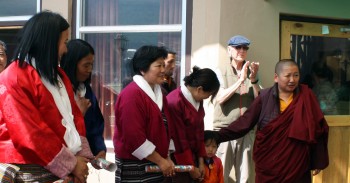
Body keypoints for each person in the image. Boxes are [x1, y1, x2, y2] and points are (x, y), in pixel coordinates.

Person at [0, 11, 93, 183]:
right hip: (30, 166)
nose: (66, 49)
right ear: (48, 43)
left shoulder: (58, 74)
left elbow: (74, 116)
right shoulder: (15, 76)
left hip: (61, 163)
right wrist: (72, 164)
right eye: (64, 42)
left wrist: (81, 159)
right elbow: (28, 133)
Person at [216, 59, 329, 183]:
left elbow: (318, 128)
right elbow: (244, 123)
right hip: (269, 166)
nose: (292, 80)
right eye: (288, 76)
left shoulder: (306, 96)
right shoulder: (264, 97)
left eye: (296, 75)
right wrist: (217, 136)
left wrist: (317, 159)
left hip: (297, 165)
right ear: (276, 77)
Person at [113, 45, 175, 182]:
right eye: (158, 66)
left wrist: (167, 157)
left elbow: (167, 129)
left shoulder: (161, 94)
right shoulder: (131, 95)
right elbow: (133, 137)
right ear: (142, 69)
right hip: (136, 166)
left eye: (163, 65)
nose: (163, 70)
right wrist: (160, 161)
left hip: (157, 164)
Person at [213, 35, 261, 183]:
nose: (241, 50)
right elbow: (220, 98)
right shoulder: (219, 71)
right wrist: (240, 81)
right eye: (237, 47)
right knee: (220, 176)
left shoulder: (251, 70)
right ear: (229, 50)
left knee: (245, 177)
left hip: (246, 131)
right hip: (225, 130)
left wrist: (253, 80)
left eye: (245, 48)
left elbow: (260, 99)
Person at [166, 66, 220, 182]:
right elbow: (179, 139)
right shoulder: (174, 102)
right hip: (178, 161)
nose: (207, 98)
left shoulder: (197, 100)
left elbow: (200, 132)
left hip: (194, 159)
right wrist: (190, 168)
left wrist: (201, 162)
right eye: (209, 95)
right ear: (199, 89)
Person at [60, 39, 107, 163]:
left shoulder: (86, 91)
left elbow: (96, 124)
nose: (90, 70)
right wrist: (78, 113)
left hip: (82, 161)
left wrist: (100, 150)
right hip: (63, 160)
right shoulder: (59, 90)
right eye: (86, 65)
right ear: (71, 63)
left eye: (92, 65)